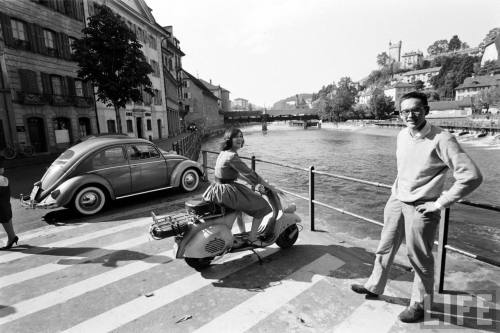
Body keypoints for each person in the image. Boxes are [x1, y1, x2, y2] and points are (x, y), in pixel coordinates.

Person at [350, 91, 483, 323]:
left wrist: (440, 203)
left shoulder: (442, 139)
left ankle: (420, 304)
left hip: (423, 207)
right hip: (397, 201)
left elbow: (471, 176)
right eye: (405, 111)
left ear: (426, 111)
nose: (410, 115)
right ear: (399, 114)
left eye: (416, 110)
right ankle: (374, 285)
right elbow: (405, 169)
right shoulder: (402, 135)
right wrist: (395, 193)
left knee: (419, 258)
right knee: (385, 246)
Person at [203, 127, 277, 244]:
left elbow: (230, 173)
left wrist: (247, 180)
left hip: (217, 188)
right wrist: (270, 187)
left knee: (239, 210)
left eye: (241, 136)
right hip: (226, 191)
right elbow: (252, 174)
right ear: (229, 139)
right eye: (236, 136)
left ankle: (243, 232)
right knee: (262, 206)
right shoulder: (232, 156)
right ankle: (252, 238)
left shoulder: (224, 153)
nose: (240, 139)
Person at [0, 157, 18, 249]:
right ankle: (12, 237)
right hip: (4, 206)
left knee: (5, 220)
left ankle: (12, 238)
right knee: (6, 220)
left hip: (2, 207)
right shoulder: (3, 179)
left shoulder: (1, 179)